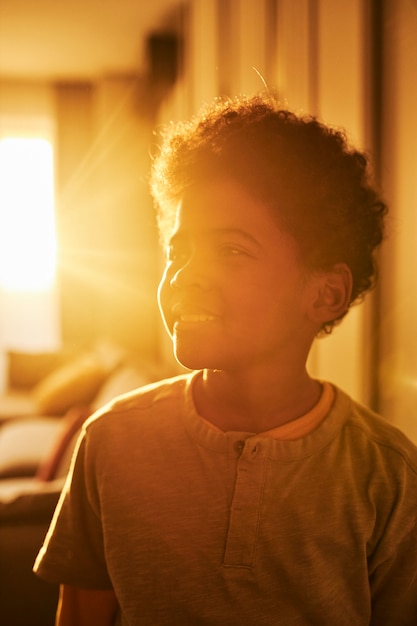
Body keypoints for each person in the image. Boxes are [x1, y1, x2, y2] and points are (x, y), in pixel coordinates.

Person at [34, 93, 417, 625]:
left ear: (325, 294)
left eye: (232, 250)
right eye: (178, 250)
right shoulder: (111, 442)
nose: (185, 274)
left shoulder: (387, 476)